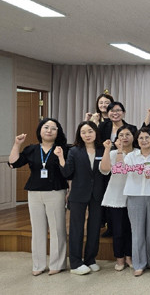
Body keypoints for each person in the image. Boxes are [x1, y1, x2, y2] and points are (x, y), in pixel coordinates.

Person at [8, 118, 68, 276]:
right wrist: (17, 144)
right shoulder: (32, 149)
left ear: (58, 132)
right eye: (45, 127)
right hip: (34, 192)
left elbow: (68, 171)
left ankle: (58, 263)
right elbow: (13, 163)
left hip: (56, 191)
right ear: (40, 130)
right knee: (38, 230)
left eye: (53, 128)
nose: (49, 130)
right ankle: (38, 265)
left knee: (58, 229)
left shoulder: (63, 149)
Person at [54, 121, 106, 275]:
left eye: (90, 131)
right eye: (83, 132)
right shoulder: (74, 151)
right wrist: (61, 158)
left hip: (97, 193)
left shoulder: (103, 149)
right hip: (78, 193)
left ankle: (90, 259)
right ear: (79, 135)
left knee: (95, 227)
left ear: (95, 132)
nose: (87, 135)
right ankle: (76, 263)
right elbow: (67, 173)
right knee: (76, 228)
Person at [122, 127, 150, 276]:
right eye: (141, 138)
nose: (144, 141)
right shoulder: (131, 155)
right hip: (134, 195)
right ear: (137, 140)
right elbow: (122, 170)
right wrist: (140, 168)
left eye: (147, 138)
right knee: (137, 231)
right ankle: (138, 263)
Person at [99, 125, 137, 271]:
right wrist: (110, 149)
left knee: (131, 230)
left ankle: (129, 256)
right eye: (121, 135)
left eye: (128, 134)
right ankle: (119, 258)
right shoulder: (113, 153)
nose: (124, 137)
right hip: (115, 197)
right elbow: (105, 169)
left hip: (134, 196)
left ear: (134, 137)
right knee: (118, 231)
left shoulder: (138, 153)